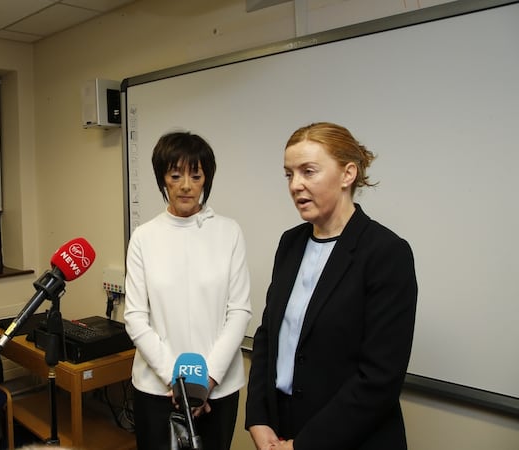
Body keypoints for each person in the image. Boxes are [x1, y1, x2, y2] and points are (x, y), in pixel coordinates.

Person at [245, 122, 418, 450]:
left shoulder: (385, 252)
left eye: (308, 171)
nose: (296, 185)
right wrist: (258, 417)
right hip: (281, 428)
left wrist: (303, 445)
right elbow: (268, 336)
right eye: (289, 174)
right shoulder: (290, 243)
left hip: (349, 440)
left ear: (347, 174)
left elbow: (379, 379)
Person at [124, 131, 252, 450]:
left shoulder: (229, 232)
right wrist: (178, 381)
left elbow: (239, 312)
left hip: (218, 388)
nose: (185, 185)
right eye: (175, 175)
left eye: (195, 175)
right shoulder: (144, 237)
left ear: (205, 178)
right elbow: (136, 318)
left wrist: (205, 380)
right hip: (157, 387)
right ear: (163, 178)